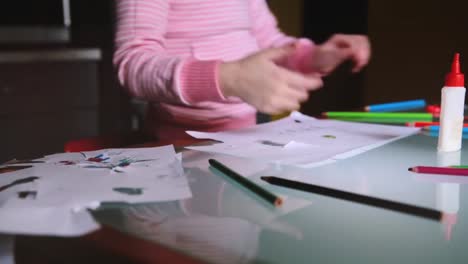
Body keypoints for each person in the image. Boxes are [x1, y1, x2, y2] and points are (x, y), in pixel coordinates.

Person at [114, 0, 371, 140]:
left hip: (247, 136)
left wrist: (315, 57)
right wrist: (229, 78)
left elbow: (271, 43)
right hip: (178, 144)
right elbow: (134, 63)